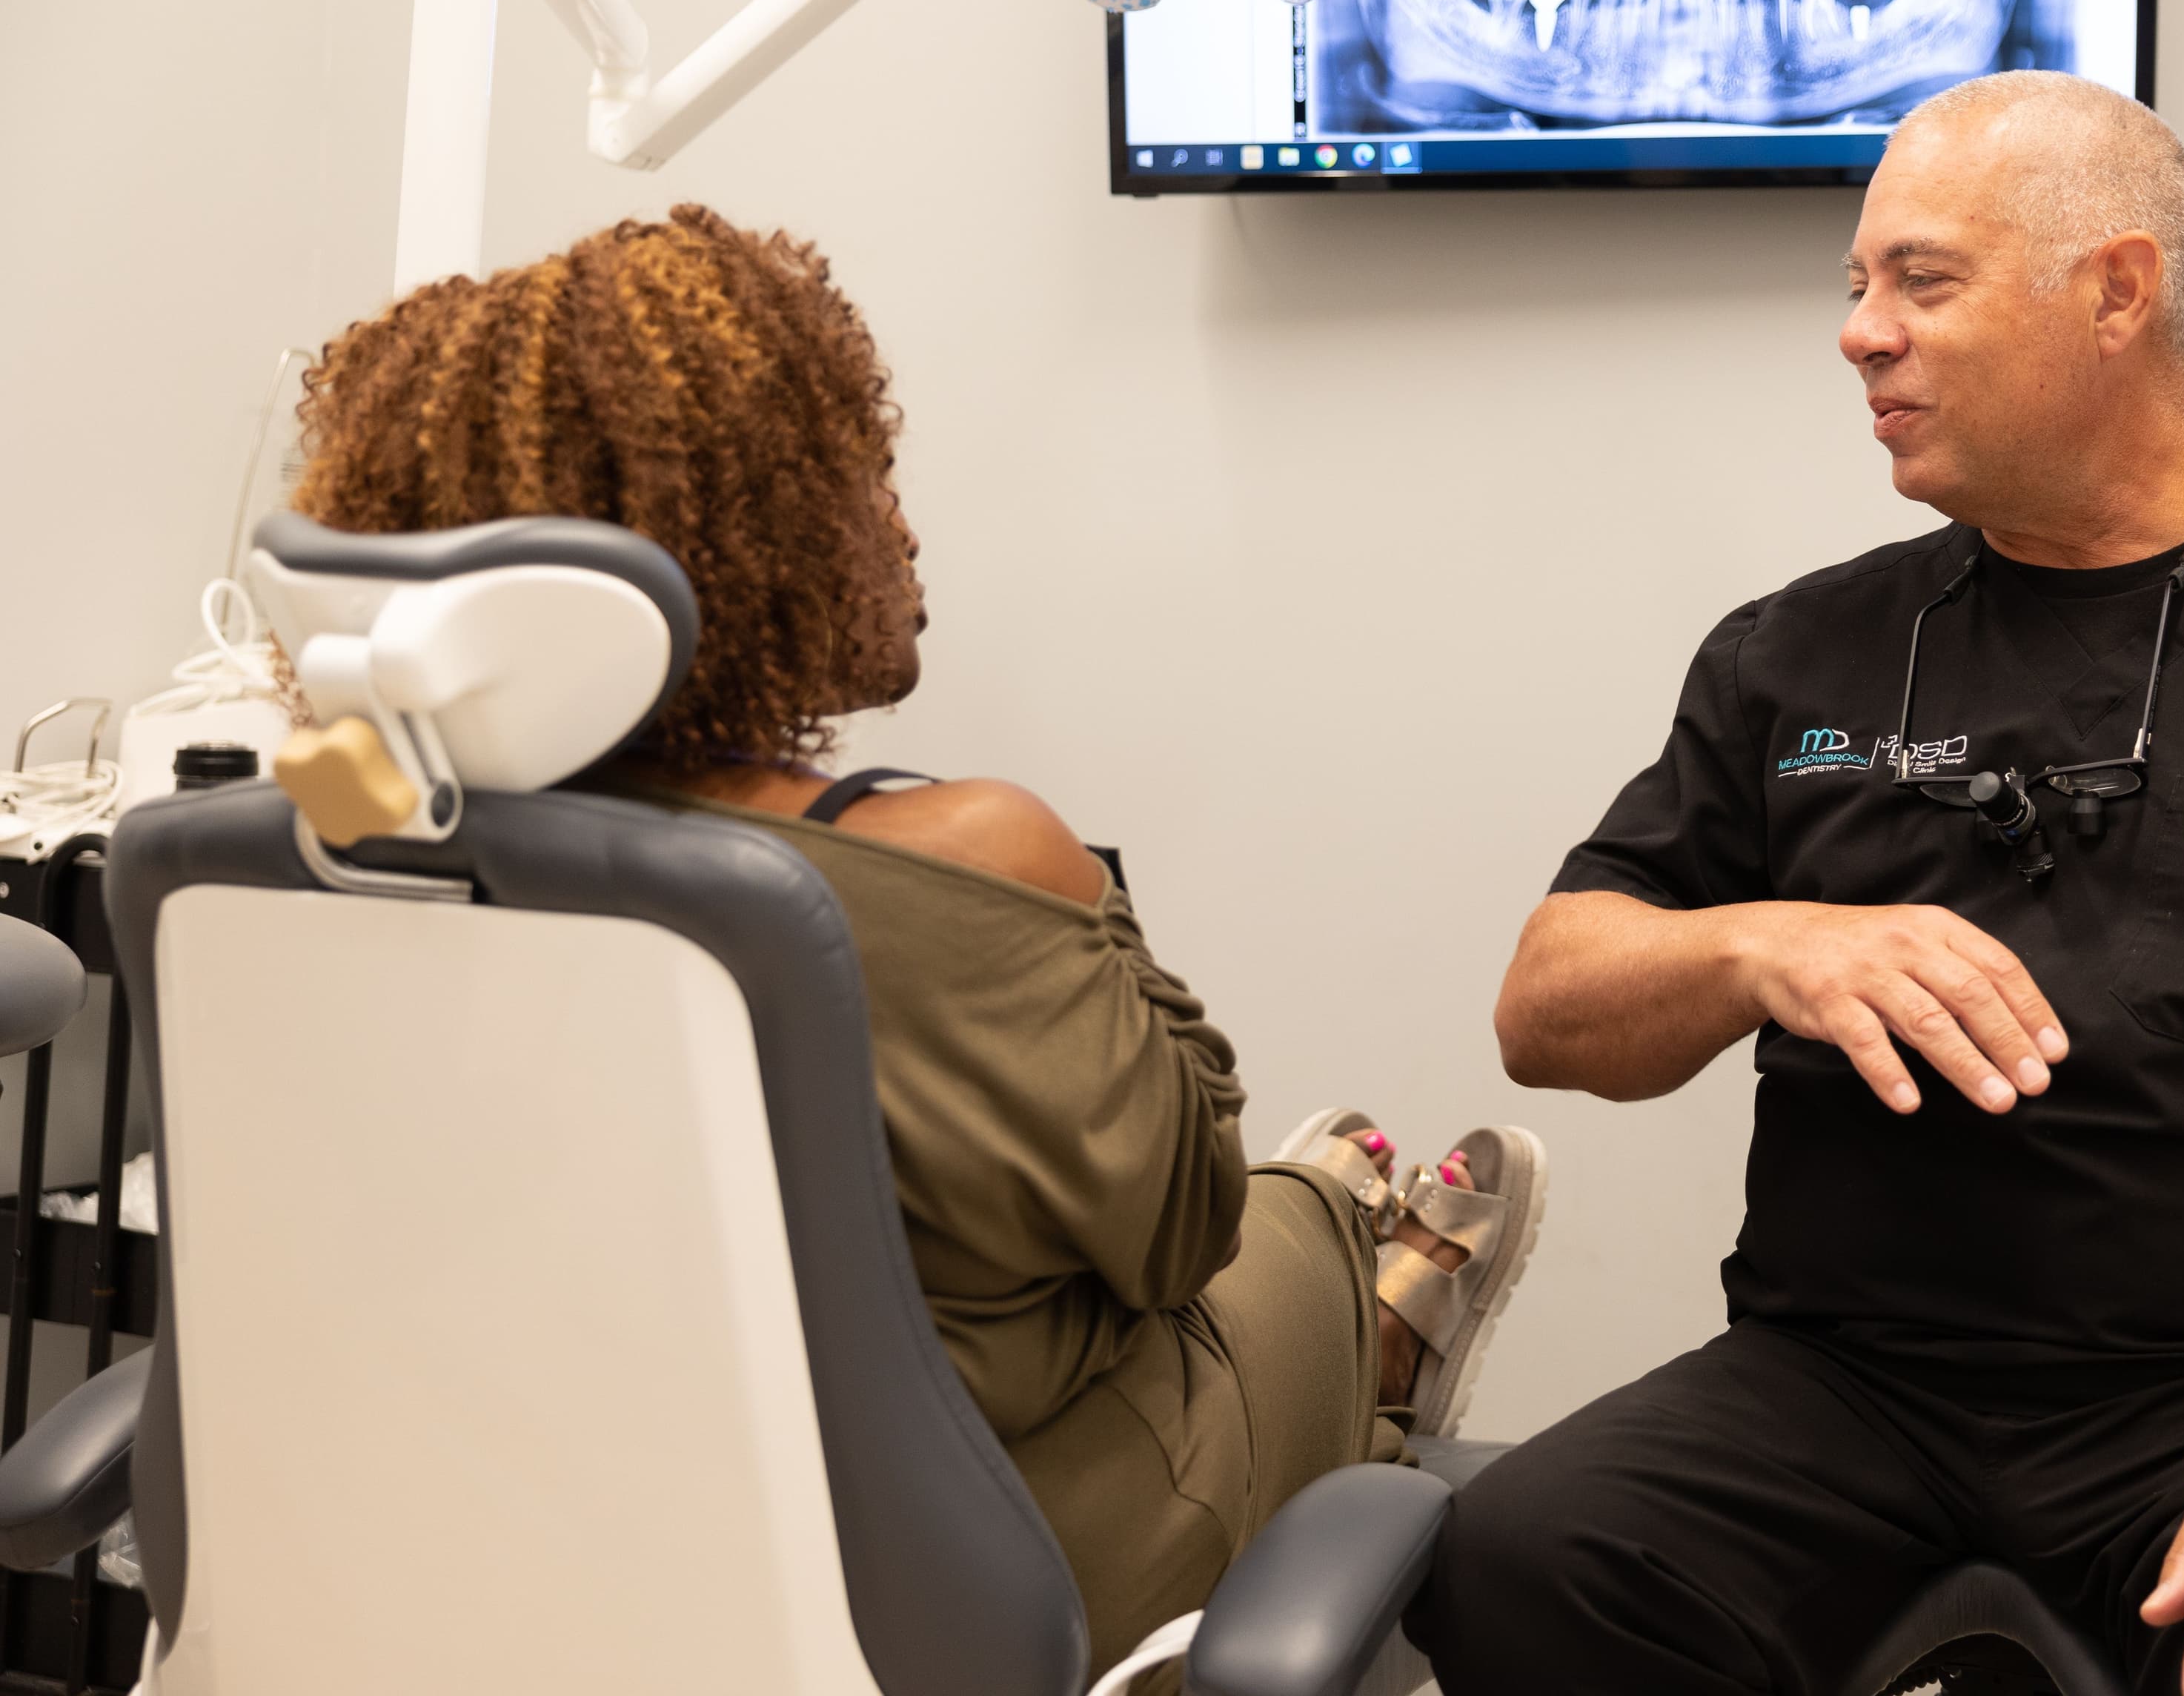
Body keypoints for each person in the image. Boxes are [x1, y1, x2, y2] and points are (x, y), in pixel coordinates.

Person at [1407, 73, 2184, 1696]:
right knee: (1521, 1561)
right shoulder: (1802, 651)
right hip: (1840, 1387)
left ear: (2116, 291)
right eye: (1854, 287)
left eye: (1920, 279)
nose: (1860, 333)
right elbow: (1549, 1004)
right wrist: (1767, 945)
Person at [282, 205, 1548, 1675]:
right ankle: (1378, 1301)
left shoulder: (323, 873)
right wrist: (1086, 918)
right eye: (863, 478)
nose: (904, 523)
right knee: (1270, 1222)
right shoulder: (962, 855)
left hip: (502, 1545)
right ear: (744, 546)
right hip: (937, 1593)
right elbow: (1177, 1226)